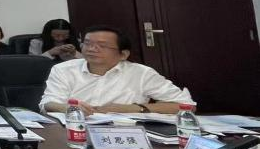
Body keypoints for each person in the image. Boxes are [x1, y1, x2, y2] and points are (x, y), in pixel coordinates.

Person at [40, 25, 194, 115]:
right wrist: (70, 108)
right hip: (74, 130)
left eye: (102, 46)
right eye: (87, 43)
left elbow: (186, 106)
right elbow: (48, 104)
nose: (92, 49)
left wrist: (134, 109)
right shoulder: (63, 69)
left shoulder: (142, 73)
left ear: (123, 54)